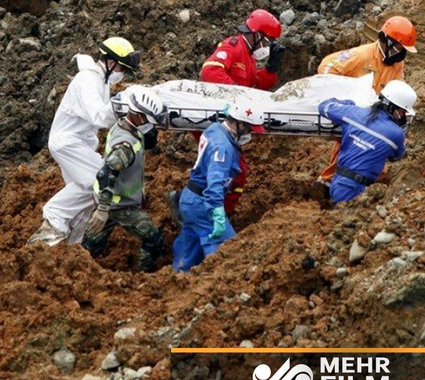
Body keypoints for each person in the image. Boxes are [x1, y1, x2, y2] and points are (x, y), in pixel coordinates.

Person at [167, 10, 285, 220]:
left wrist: (271, 68)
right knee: (235, 171)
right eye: (268, 41)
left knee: (224, 169)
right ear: (257, 35)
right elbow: (210, 71)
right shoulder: (233, 46)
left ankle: (190, 203)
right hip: (214, 119)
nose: (268, 46)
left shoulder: (248, 58)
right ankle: (215, 212)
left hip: (225, 121)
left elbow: (256, 86)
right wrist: (237, 96)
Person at [28, 37, 141, 246]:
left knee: (86, 197)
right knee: (97, 182)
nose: (122, 74)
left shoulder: (101, 81)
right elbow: (99, 116)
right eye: (122, 68)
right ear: (109, 62)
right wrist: (125, 100)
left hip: (80, 144)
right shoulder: (88, 81)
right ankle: (54, 216)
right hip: (69, 143)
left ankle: (71, 246)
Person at [316, 16, 417, 188]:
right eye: (399, 48)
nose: (401, 53)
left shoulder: (397, 65)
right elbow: (326, 67)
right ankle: (328, 182)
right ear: (386, 41)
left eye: (403, 50)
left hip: (375, 114)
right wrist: (341, 94)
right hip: (355, 111)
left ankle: (353, 187)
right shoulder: (362, 56)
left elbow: (397, 88)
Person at [172, 100, 265, 272]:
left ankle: (178, 278)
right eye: (250, 128)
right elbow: (215, 182)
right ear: (240, 123)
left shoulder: (215, 129)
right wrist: (217, 213)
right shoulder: (222, 147)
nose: (251, 133)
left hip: (190, 199)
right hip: (203, 204)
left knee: (189, 251)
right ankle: (218, 290)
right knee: (228, 254)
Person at [82, 87, 167, 272]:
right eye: (147, 120)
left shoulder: (125, 124)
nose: (149, 125)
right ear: (137, 115)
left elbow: (148, 140)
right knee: (153, 238)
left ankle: (82, 265)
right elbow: (107, 173)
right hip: (118, 205)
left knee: (92, 245)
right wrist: (103, 210)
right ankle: (144, 277)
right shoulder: (125, 147)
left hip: (113, 201)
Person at [318, 80, 417, 203]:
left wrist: (347, 104)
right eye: (403, 111)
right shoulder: (396, 134)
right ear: (392, 107)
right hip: (353, 188)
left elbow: (324, 106)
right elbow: (397, 156)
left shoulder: (353, 113)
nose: (402, 116)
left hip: (339, 183)